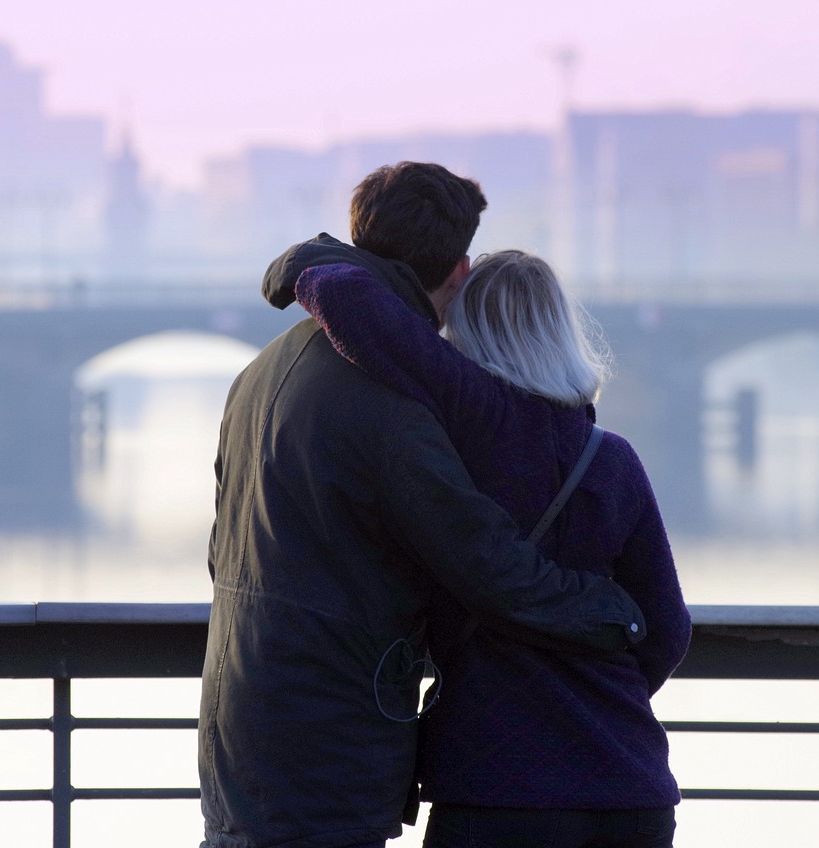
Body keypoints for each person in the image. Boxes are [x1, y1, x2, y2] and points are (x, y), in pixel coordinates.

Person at [199, 163, 647, 848]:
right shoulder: (389, 403)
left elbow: (219, 545)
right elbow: (485, 563)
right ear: (459, 268)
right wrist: (615, 613)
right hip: (330, 746)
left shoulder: (260, 371)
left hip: (238, 730)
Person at [293, 249, 692, 848]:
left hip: (496, 787)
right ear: (561, 331)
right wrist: (591, 694)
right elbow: (667, 631)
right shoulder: (613, 460)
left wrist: (309, 259)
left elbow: (348, 299)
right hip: (629, 786)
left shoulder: (467, 428)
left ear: (468, 333)